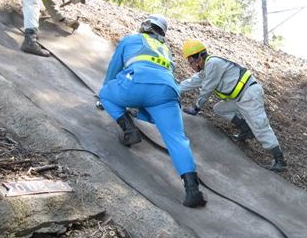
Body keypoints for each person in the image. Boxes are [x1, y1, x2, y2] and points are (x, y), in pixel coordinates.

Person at [98, 15, 206, 208]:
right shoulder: (166, 50)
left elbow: (112, 72)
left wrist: (107, 99)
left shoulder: (131, 39)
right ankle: (193, 190)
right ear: (162, 34)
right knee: (177, 138)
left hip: (136, 82)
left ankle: (129, 129)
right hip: (167, 91)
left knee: (105, 94)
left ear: (144, 26)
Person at [179, 40, 287, 172]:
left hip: (249, 94)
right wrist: (173, 89)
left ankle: (279, 160)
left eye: (191, 62)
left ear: (200, 57)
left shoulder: (213, 64)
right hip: (239, 98)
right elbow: (191, 82)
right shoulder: (206, 70)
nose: (191, 66)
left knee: (259, 125)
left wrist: (196, 107)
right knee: (219, 108)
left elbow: (207, 89)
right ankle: (246, 129)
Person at [12, 0, 84, 57]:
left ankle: (30, 38)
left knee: (32, 0)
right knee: (32, 1)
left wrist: (64, 20)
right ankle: (30, 41)